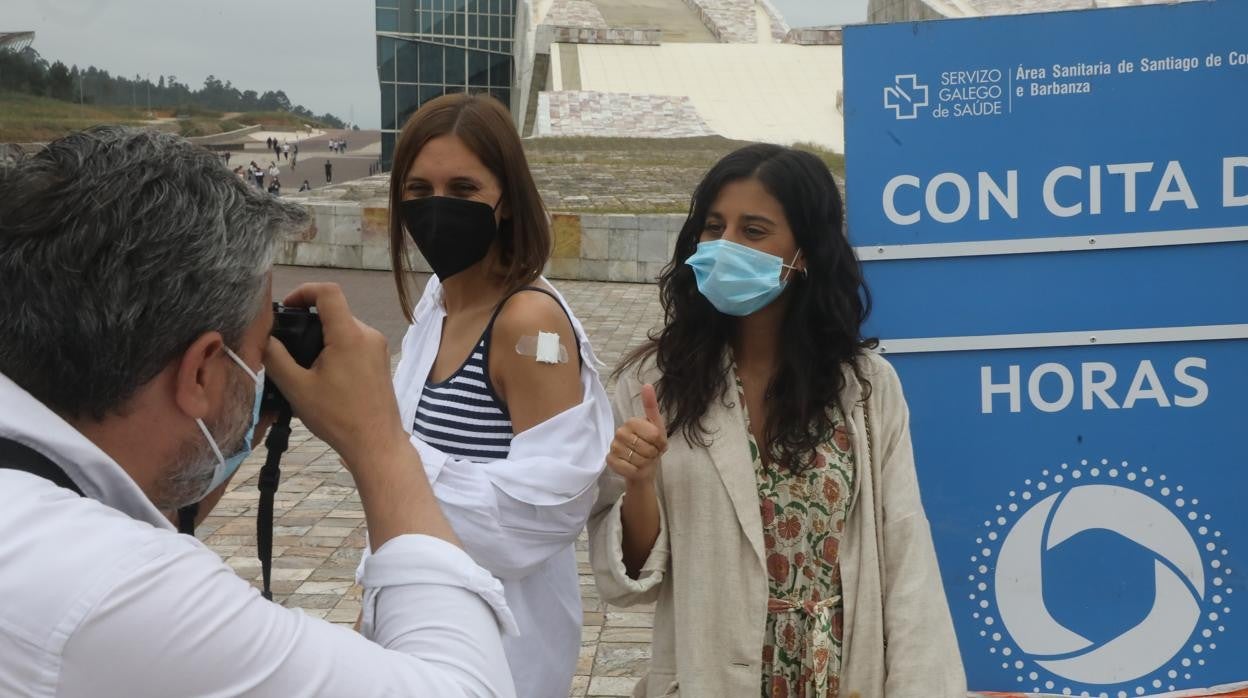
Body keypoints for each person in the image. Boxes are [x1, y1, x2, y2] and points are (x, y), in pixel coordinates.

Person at [0, 126, 517, 697]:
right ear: (200, 371)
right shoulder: (114, 589)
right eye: (260, 343)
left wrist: (241, 414)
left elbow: (126, 494)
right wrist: (379, 441)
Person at [588, 144, 966, 697]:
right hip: (707, 676)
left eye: (754, 230)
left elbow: (906, 557)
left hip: (840, 674)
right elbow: (632, 586)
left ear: (804, 252)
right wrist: (639, 484)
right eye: (714, 227)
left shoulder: (863, 388)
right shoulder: (656, 385)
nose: (725, 246)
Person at [357, 93, 613, 698]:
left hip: (501, 659)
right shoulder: (437, 306)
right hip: (415, 639)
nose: (437, 208)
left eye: (464, 188)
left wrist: (375, 444)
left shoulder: (529, 325)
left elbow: (540, 516)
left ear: (505, 200)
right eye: (417, 191)